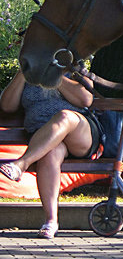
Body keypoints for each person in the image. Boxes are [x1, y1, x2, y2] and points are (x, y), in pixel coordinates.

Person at [0, 72, 101, 238]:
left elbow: (85, 100)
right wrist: (25, 72)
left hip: (79, 133)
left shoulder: (74, 70)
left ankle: (22, 163)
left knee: (64, 116)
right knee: (50, 153)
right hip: (44, 138)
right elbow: (7, 106)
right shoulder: (29, 73)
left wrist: (52, 74)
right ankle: (51, 221)